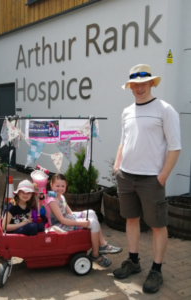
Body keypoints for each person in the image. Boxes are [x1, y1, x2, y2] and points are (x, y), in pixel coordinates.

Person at [113, 64, 181, 293]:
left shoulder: (165, 109)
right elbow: (124, 141)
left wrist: (161, 177)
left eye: (143, 83)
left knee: (157, 225)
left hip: (152, 179)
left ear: (151, 83)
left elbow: (175, 147)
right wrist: (117, 165)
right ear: (130, 86)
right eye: (134, 84)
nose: (139, 88)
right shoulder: (126, 111)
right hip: (126, 176)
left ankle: (156, 271)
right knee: (131, 220)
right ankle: (133, 261)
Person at [46, 173, 122, 267]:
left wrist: (81, 217)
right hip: (59, 225)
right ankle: (95, 254)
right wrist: (81, 223)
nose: (60, 188)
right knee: (93, 223)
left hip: (66, 219)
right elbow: (61, 220)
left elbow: (69, 213)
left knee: (91, 212)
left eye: (63, 186)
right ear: (51, 185)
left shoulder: (61, 196)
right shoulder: (52, 200)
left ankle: (102, 244)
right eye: (57, 186)